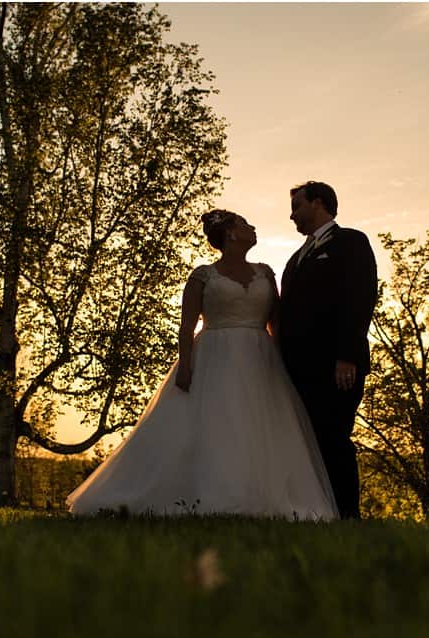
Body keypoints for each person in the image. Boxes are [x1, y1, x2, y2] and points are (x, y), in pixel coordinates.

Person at [66, 209, 338, 520]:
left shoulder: (265, 273)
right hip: (215, 356)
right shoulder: (203, 276)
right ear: (232, 234)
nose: (253, 227)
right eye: (245, 223)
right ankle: (205, 494)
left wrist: (280, 360)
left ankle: (259, 495)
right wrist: (185, 365)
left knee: (261, 427)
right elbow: (186, 326)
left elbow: (275, 321)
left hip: (260, 357)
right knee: (218, 423)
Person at [279, 181, 378, 520]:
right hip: (297, 368)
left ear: (318, 203)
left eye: (297, 205)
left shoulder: (350, 242)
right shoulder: (294, 260)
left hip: (336, 364)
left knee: (334, 437)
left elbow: (359, 298)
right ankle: (315, 512)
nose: (291, 214)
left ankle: (347, 515)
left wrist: (346, 355)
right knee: (308, 442)